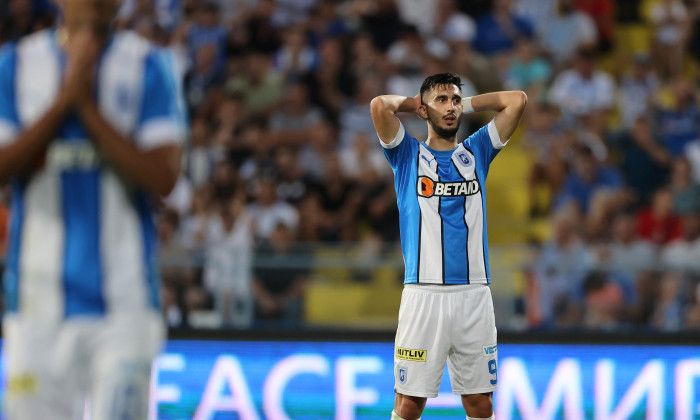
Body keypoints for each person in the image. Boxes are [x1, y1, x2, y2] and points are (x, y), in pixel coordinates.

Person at [0, 0, 185, 418]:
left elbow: (164, 177)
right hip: (37, 303)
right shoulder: (15, 64)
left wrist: (85, 108)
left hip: (126, 302)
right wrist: (63, 102)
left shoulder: (150, 65)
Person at [370, 73, 527, 420]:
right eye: (442, 100)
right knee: (410, 404)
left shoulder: (476, 151)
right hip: (423, 294)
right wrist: (416, 105)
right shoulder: (408, 155)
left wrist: (465, 104)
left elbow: (516, 99)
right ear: (425, 110)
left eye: (455, 99)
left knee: (480, 403)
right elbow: (380, 106)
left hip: (474, 295)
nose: (451, 106)